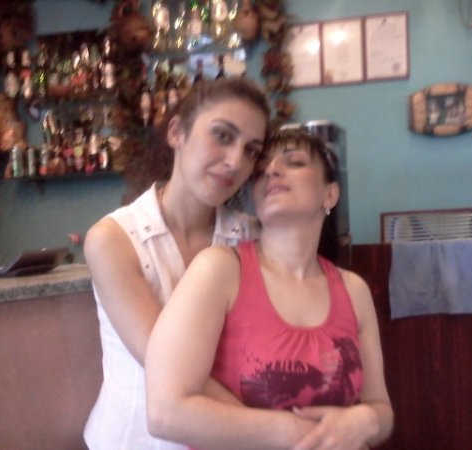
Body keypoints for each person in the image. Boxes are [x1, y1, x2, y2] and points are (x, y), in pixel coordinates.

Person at [145, 128, 394, 450]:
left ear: (330, 195)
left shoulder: (354, 290)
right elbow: (165, 414)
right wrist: (298, 434)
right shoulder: (219, 270)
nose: (272, 170)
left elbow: (380, 407)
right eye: (262, 170)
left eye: (295, 162)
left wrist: (366, 420)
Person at [83, 76, 270, 450]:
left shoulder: (253, 238)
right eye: (222, 135)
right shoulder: (113, 239)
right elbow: (168, 366)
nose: (235, 161)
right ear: (176, 133)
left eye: (251, 151)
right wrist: (275, 435)